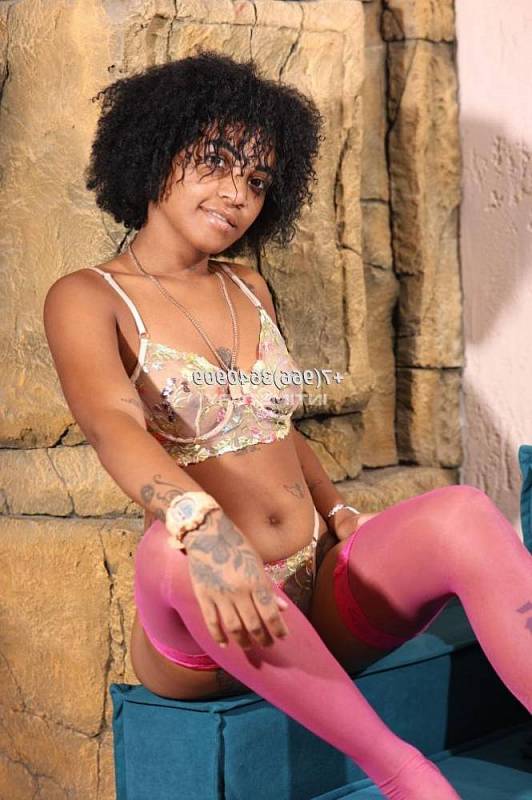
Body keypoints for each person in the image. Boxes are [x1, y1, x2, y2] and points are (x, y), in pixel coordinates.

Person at [43, 51, 532, 800]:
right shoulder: (89, 296)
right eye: (216, 161)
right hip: (205, 619)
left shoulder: (248, 285)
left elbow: (274, 428)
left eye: (257, 180)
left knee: (462, 513)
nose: (236, 193)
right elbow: (114, 426)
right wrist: (200, 522)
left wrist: (338, 512)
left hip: (315, 589)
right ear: (154, 148)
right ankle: (407, 777)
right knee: (170, 548)